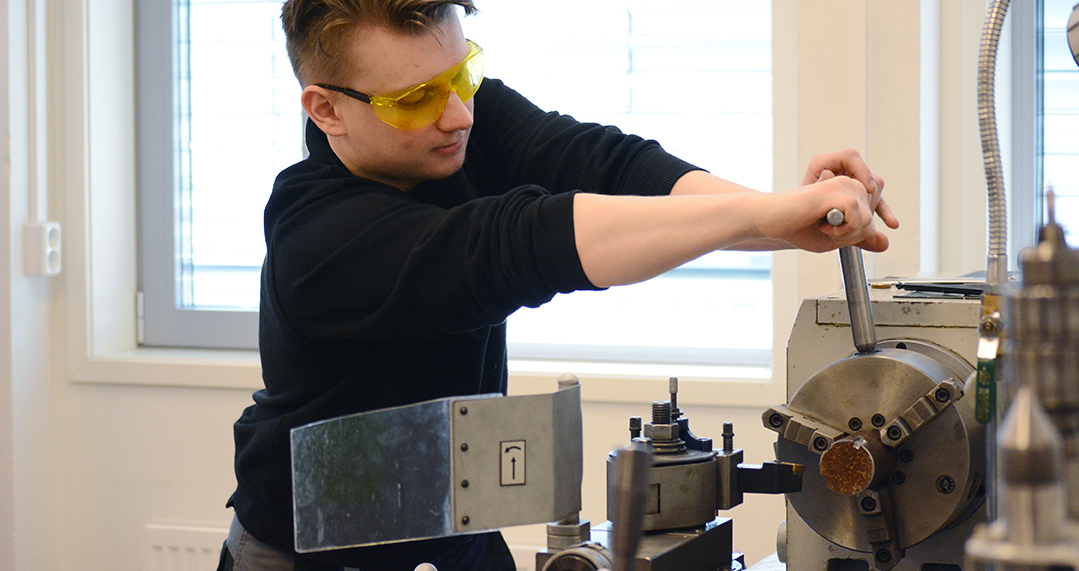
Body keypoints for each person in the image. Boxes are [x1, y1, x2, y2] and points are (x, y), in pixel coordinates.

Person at [219, 1, 899, 570]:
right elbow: (529, 241)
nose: (456, 113)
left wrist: (795, 215)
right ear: (327, 109)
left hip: (457, 532)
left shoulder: (458, 124)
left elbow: (608, 165)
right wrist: (766, 216)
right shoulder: (320, 239)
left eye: (461, 74)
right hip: (311, 554)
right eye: (414, 99)